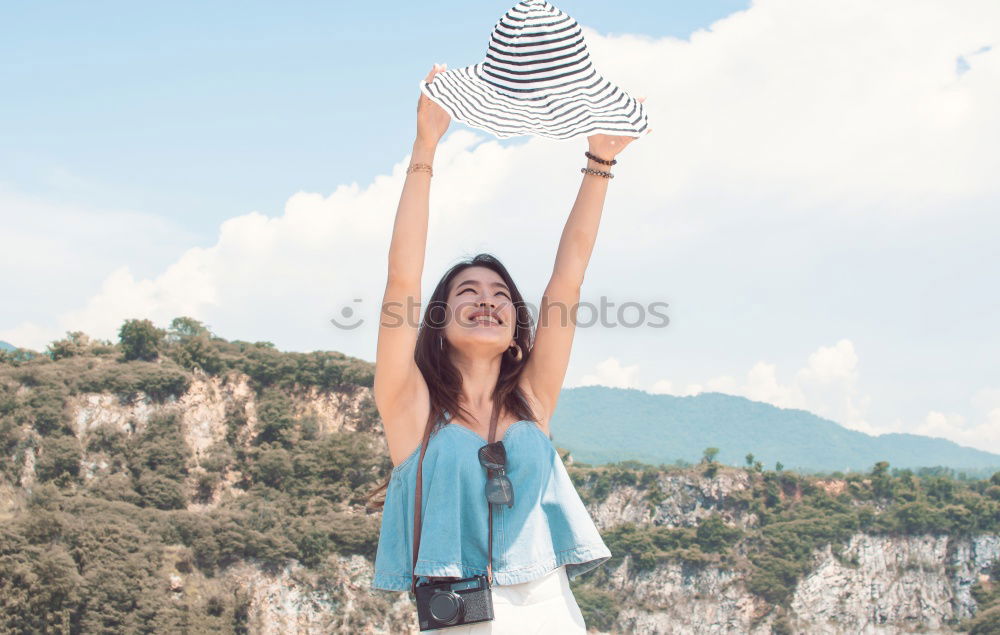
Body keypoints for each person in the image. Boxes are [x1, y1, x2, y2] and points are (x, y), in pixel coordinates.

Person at [365, 63, 648, 632]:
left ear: (519, 327)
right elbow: (402, 281)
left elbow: (566, 281)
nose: (487, 300)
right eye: (467, 292)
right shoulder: (410, 410)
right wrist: (426, 147)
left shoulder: (533, 403)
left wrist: (601, 162)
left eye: (501, 295)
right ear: (438, 321)